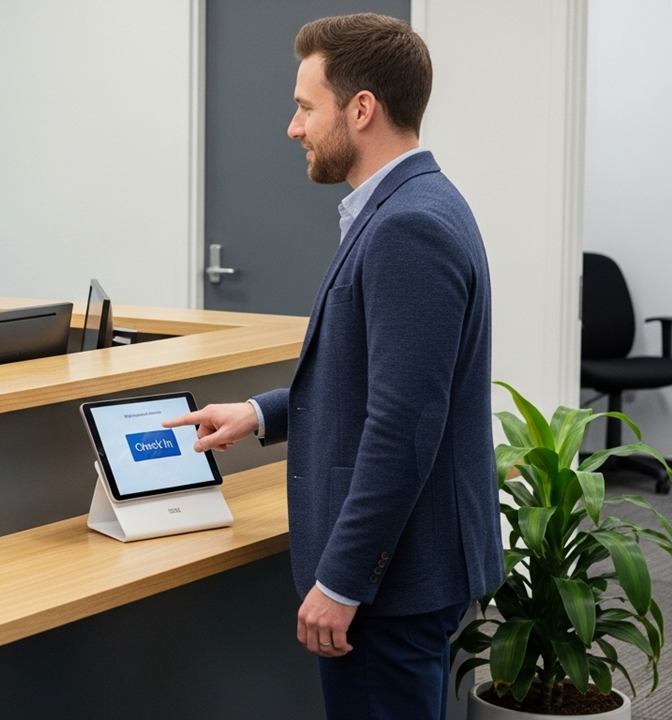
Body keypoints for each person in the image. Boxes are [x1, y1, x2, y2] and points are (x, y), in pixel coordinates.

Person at [164, 14, 502, 720]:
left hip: (395, 584)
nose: (295, 128)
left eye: (304, 106)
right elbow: (372, 384)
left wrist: (343, 581)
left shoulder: (409, 226)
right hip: (410, 573)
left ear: (361, 108)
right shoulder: (412, 205)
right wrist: (259, 413)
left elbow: (404, 425)